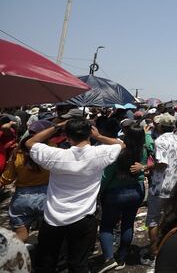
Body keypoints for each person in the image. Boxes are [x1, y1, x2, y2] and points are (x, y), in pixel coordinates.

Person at [25, 115, 124, 272]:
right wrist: (98, 136)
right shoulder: (99, 154)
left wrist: (57, 126)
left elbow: (30, 143)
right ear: (89, 133)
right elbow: (120, 144)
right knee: (78, 264)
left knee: (46, 264)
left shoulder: (56, 156)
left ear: (67, 136)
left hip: (53, 218)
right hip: (84, 218)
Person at [132, 112, 177, 266]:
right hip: (176, 186)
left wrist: (144, 167)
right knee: (170, 218)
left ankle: (154, 252)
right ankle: (169, 248)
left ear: (160, 126)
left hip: (160, 187)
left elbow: (162, 163)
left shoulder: (160, 141)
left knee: (153, 220)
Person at [97, 122, 148, 272]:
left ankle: (109, 258)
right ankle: (122, 256)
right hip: (136, 191)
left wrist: (99, 191)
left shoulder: (119, 151)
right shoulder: (143, 151)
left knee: (107, 226)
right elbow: (141, 170)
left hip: (115, 193)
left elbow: (107, 176)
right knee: (128, 223)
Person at [0, 120, 51, 243]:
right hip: (47, 197)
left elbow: (7, 179)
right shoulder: (51, 150)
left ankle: (15, 258)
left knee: (20, 236)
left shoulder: (18, 153)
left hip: (21, 198)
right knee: (48, 235)